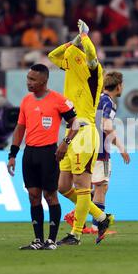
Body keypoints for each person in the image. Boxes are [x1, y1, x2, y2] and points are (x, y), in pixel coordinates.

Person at [47, 19, 114, 245]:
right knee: (63, 186)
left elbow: (93, 56)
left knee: (82, 185)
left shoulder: (94, 74)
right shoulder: (71, 68)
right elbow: (52, 56)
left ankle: (75, 234)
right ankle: (101, 217)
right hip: (71, 132)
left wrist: (84, 37)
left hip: (84, 132)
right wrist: (73, 41)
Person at [7, 63, 79, 250]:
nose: (28, 82)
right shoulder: (26, 101)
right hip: (29, 153)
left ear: (43, 81)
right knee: (33, 196)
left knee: (50, 195)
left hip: (49, 153)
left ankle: (51, 240)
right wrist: (13, 154)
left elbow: (75, 123)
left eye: (32, 79)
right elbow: (20, 128)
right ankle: (38, 240)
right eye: (28, 78)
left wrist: (65, 143)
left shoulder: (58, 100)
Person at [90, 71, 130, 233]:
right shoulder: (109, 102)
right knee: (101, 187)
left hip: (87, 147)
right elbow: (106, 126)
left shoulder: (95, 99)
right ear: (118, 86)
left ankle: (85, 221)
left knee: (91, 187)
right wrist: (121, 148)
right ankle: (96, 226)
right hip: (100, 150)